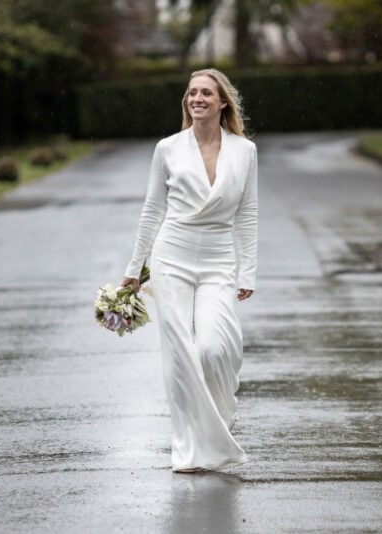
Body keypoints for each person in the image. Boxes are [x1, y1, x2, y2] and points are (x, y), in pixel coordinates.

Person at [122, 68, 258, 473]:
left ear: (222, 103)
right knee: (181, 357)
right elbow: (152, 210)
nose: (196, 98)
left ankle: (218, 421)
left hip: (218, 260)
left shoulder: (244, 151)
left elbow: (248, 213)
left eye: (205, 93)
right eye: (191, 93)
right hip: (171, 258)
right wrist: (135, 267)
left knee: (214, 349)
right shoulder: (168, 148)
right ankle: (188, 448)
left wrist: (247, 272)